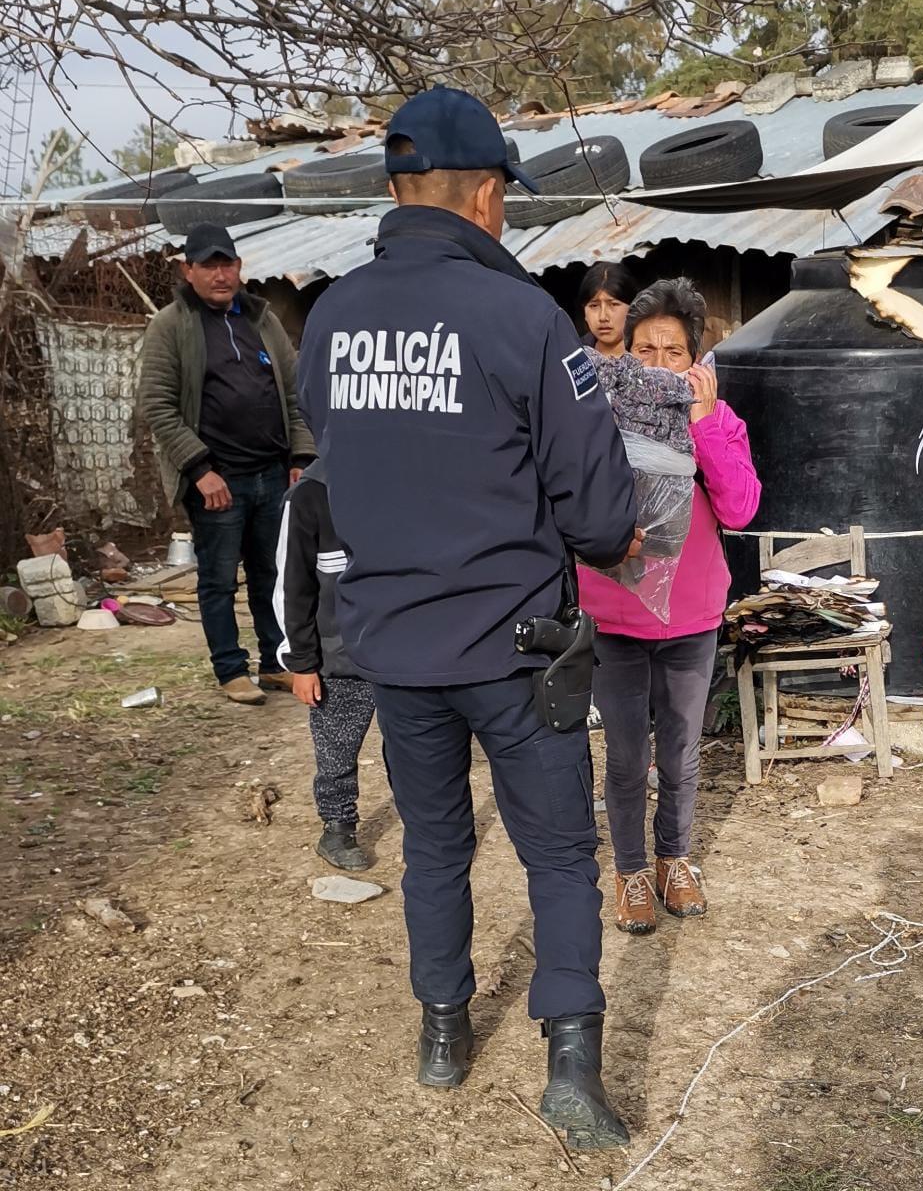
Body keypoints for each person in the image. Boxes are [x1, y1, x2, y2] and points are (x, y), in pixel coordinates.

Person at [296, 85, 640, 1150]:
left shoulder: (329, 317)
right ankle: (570, 1068)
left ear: (401, 191)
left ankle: (442, 1033)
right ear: (486, 195)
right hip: (517, 650)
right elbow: (599, 510)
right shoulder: (524, 318)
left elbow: (336, 471)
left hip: (394, 648)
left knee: (435, 848)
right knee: (557, 856)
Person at [578, 278, 761, 936]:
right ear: (623, 354)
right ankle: (630, 871)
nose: (658, 366)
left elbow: (741, 508)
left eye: (673, 352)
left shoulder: (718, 419)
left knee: (681, 752)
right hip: (614, 610)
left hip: (691, 615)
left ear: (695, 361)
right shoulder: (595, 420)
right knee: (626, 755)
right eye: (645, 350)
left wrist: (705, 428)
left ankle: (673, 860)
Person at [139, 224, 314, 705]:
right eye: (210, 265)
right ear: (188, 270)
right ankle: (230, 670)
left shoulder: (262, 319)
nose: (221, 274)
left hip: (273, 474)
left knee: (273, 574)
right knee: (218, 579)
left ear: (239, 267)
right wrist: (199, 470)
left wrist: (300, 457)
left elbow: (296, 395)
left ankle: (276, 661)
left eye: (228, 264)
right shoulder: (171, 326)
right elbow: (157, 405)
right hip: (218, 479)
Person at [273, 459, 376, 871]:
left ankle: (426, 826)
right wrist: (301, 662)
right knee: (336, 750)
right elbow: (291, 584)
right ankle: (337, 826)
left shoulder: (403, 474)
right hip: (338, 658)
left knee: (413, 751)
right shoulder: (310, 494)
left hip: (401, 654)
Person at [579, 261, 638, 358]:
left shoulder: (650, 356)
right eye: (594, 306)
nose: (603, 317)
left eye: (613, 304)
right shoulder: (574, 357)